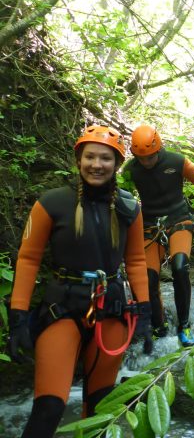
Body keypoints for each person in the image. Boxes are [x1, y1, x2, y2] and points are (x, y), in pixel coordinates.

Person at [8, 125, 153, 438]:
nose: (96, 164)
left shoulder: (130, 208)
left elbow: (137, 261)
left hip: (112, 311)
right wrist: (17, 318)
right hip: (63, 308)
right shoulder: (51, 203)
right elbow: (28, 259)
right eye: (90, 156)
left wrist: (145, 312)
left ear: (116, 164)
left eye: (105, 158)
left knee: (100, 409)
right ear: (78, 160)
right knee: (49, 408)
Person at [123, 124, 194, 347]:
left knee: (180, 268)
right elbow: (122, 197)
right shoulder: (131, 170)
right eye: (141, 158)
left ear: (158, 149)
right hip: (150, 225)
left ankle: (184, 325)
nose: (146, 162)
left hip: (179, 219)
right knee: (149, 278)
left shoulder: (177, 162)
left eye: (149, 157)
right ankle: (160, 326)